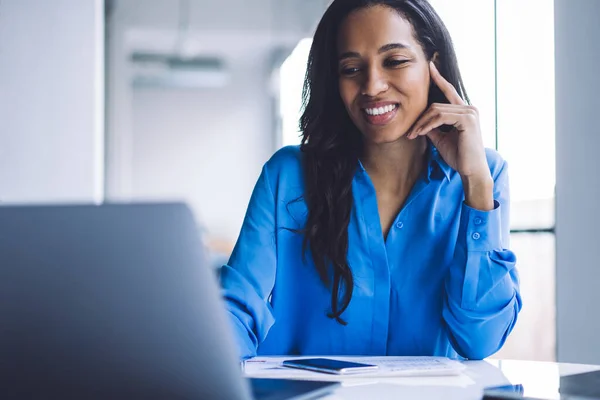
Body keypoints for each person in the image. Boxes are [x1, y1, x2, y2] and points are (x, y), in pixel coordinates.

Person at [220, 0, 521, 361]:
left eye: (394, 61)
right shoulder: (288, 175)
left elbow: (480, 340)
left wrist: (476, 185)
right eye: (351, 68)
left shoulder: (485, 175)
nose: (372, 86)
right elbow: (236, 308)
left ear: (434, 66)